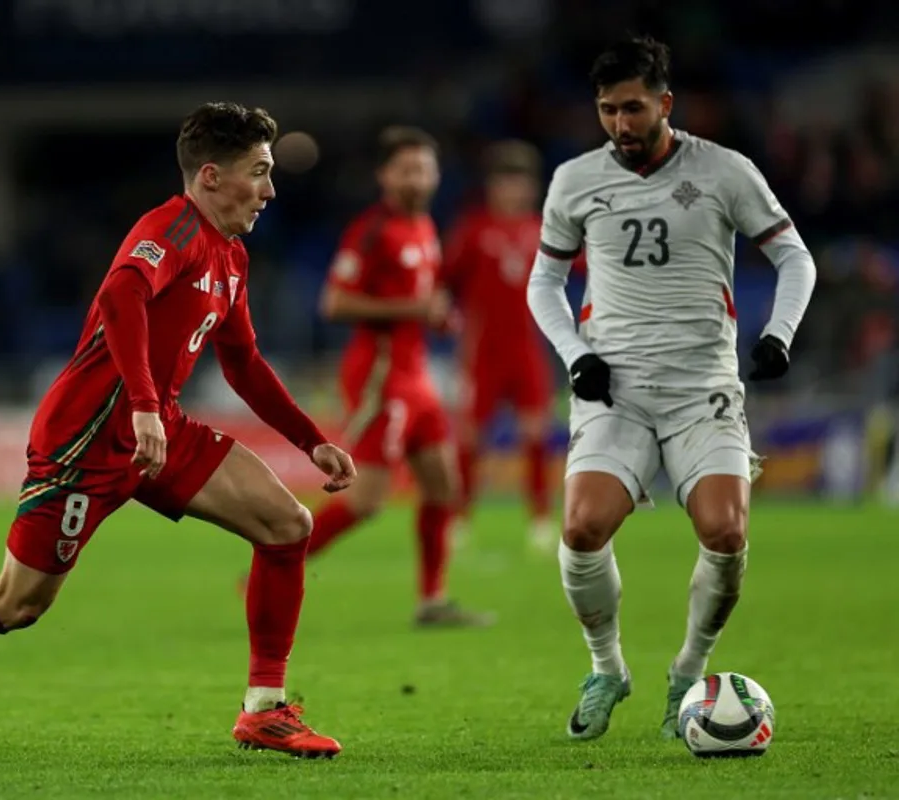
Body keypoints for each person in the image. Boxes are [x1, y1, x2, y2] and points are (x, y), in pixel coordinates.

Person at [0, 102, 357, 762]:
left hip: (157, 432)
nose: (271, 189)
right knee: (18, 603)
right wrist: (141, 403)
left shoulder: (230, 257)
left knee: (288, 526)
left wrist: (311, 438)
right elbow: (120, 296)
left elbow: (243, 361)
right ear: (209, 176)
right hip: (86, 440)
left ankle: (265, 710)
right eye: (258, 172)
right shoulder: (170, 228)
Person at [525, 37, 816, 740]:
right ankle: (607, 668)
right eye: (606, 110)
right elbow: (544, 283)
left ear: (665, 103)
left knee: (725, 529)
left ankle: (689, 671)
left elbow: (793, 257)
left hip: (702, 387)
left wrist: (779, 334)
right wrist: (575, 356)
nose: (620, 124)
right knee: (582, 527)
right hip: (613, 386)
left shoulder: (724, 170)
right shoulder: (574, 179)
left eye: (632, 108)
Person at [305, 126, 492, 628]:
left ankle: (432, 601)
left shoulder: (425, 226)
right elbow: (335, 301)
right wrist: (416, 308)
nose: (417, 178)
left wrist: (437, 316)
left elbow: (425, 302)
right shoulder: (372, 230)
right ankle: (277, 563)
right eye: (406, 169)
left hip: (417, 376)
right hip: (380, 375)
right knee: (365, 501)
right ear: (385, 175)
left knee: (443, 487)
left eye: (424, 169)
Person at [441, 140, 559, 551]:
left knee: (536, 435)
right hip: (482, 352)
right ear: (491, 187)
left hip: (528, 349)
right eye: (505, 182)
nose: (513, 190)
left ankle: (541, 518)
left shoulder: (545, 230)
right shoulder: (473, 229)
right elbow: (444, 280)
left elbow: (581, 266)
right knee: (470, 439)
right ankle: (459, 518)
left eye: (521, 182)